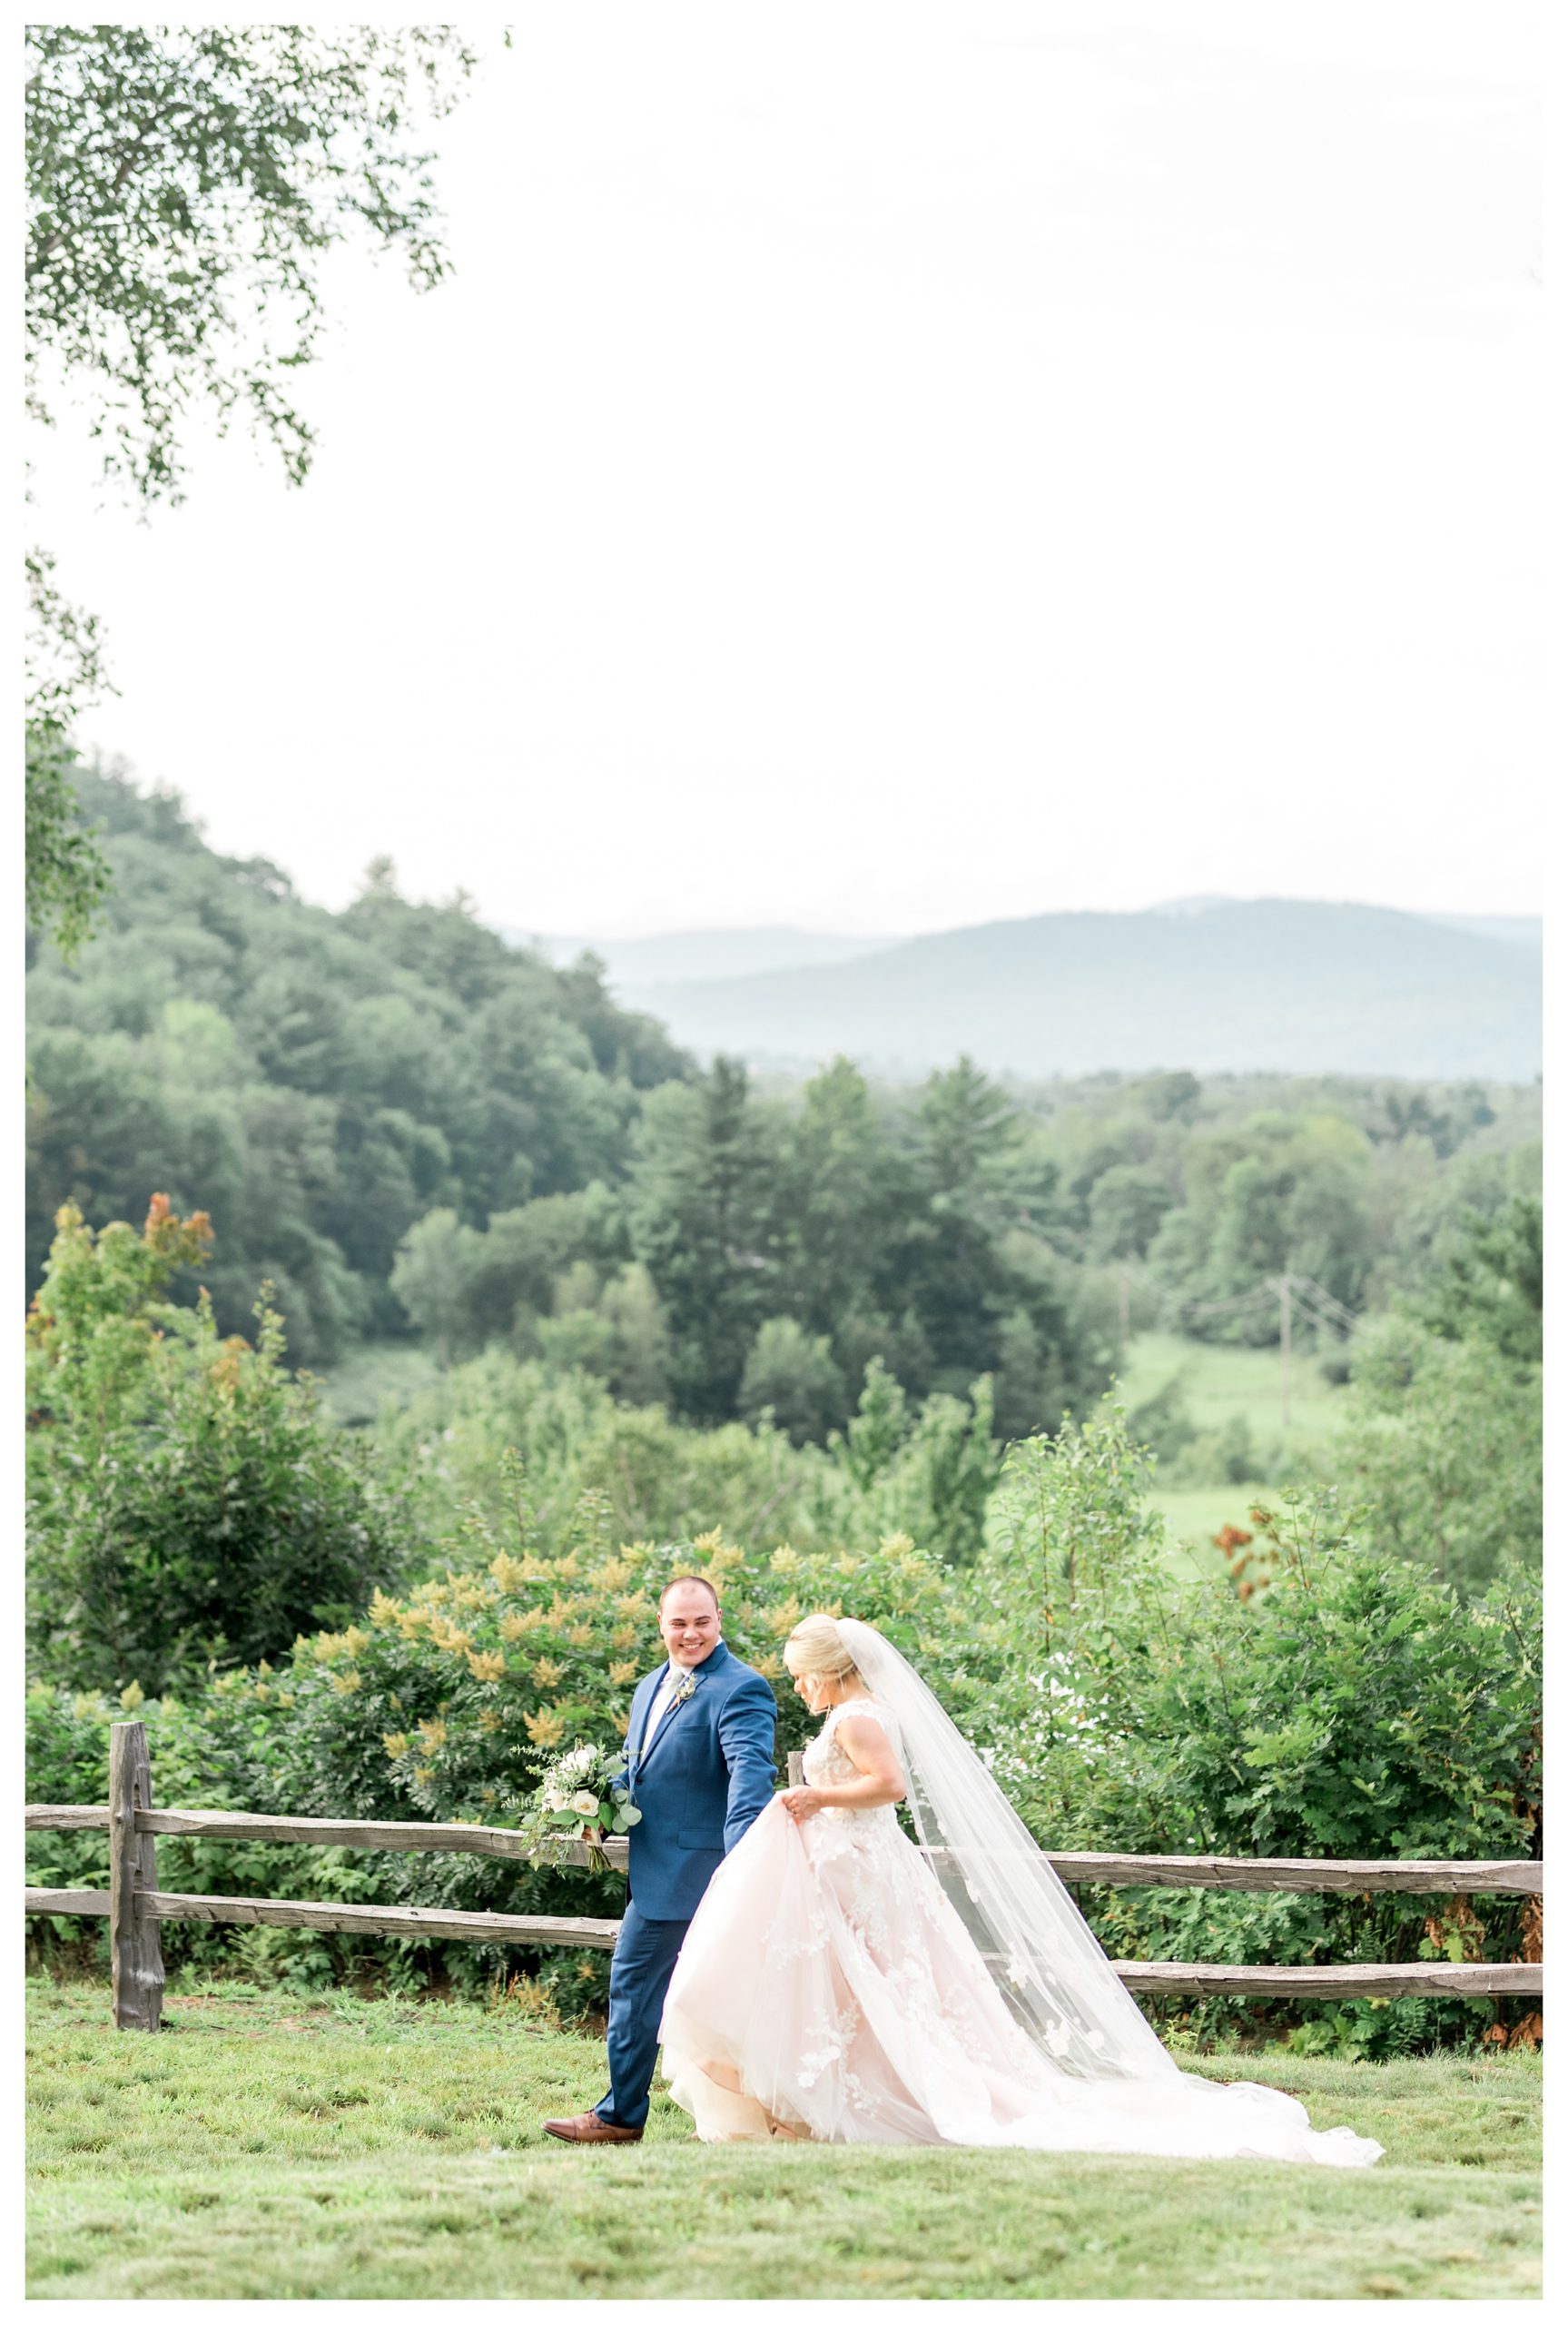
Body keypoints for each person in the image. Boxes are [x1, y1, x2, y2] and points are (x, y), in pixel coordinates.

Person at [658, 1612, 1383, 2164]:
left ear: (829, 1670)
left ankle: (870, 2097)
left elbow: (888, 1788)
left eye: (801, 1674)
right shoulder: (861, 1712)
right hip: (856, 1871)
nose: (798, 1687)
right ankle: (821, 2099)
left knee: (882, 1991)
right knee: (869, 1992)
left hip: (866, 1871)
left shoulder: (854, 1717)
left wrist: (817, 1801)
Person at [542, 1575, 776, 2144]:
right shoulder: (650, 1686)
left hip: (699, 1875)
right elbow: (641, 1770)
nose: (690, 1633)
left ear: (720, 1619)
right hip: (654, 1870)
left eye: (702, 1621)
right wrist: (595, 1802)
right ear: (661, 1625)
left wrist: (737, 1868)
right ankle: (752, 2115)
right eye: (679, 1622)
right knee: (701, 1999)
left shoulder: (742, 1688)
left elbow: (751, 1777)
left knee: (637, 1986)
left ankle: (621, 2117)